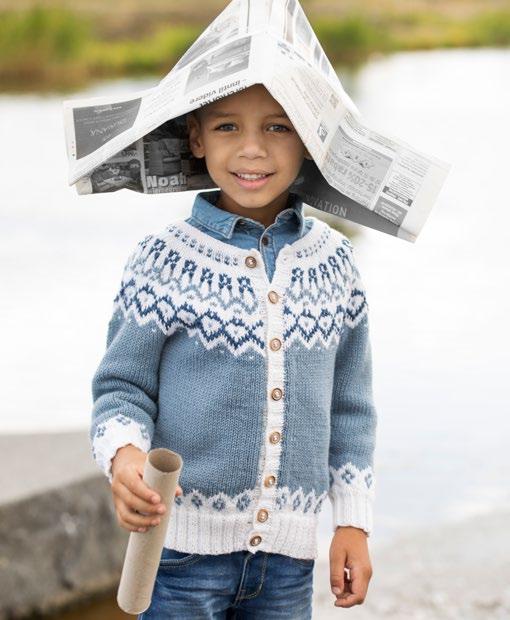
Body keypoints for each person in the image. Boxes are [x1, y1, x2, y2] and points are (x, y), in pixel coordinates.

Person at [90, 83, 377, 619]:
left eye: (277, 127)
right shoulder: (163, 260)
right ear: (196, 139)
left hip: (289, 562)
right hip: (178, 555)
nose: (253, 149)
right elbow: (122, 386)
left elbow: (351, 406)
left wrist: (352, 522)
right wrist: (124, 455)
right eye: (228, 127)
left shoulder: (336, 263)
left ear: (309, 141)